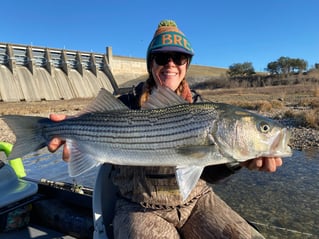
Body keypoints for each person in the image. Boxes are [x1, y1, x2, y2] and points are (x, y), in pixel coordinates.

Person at [48, 20, 282, 239]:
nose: (170, 64)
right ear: (151, 64)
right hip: (138, 207)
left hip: (196, 201)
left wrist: (237, 161)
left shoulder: (204, 107)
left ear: (186, 65)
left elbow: (210, 173)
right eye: (161, 57)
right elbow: (90, 120)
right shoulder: (126, 102)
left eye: (179, 58)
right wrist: (69, 128)